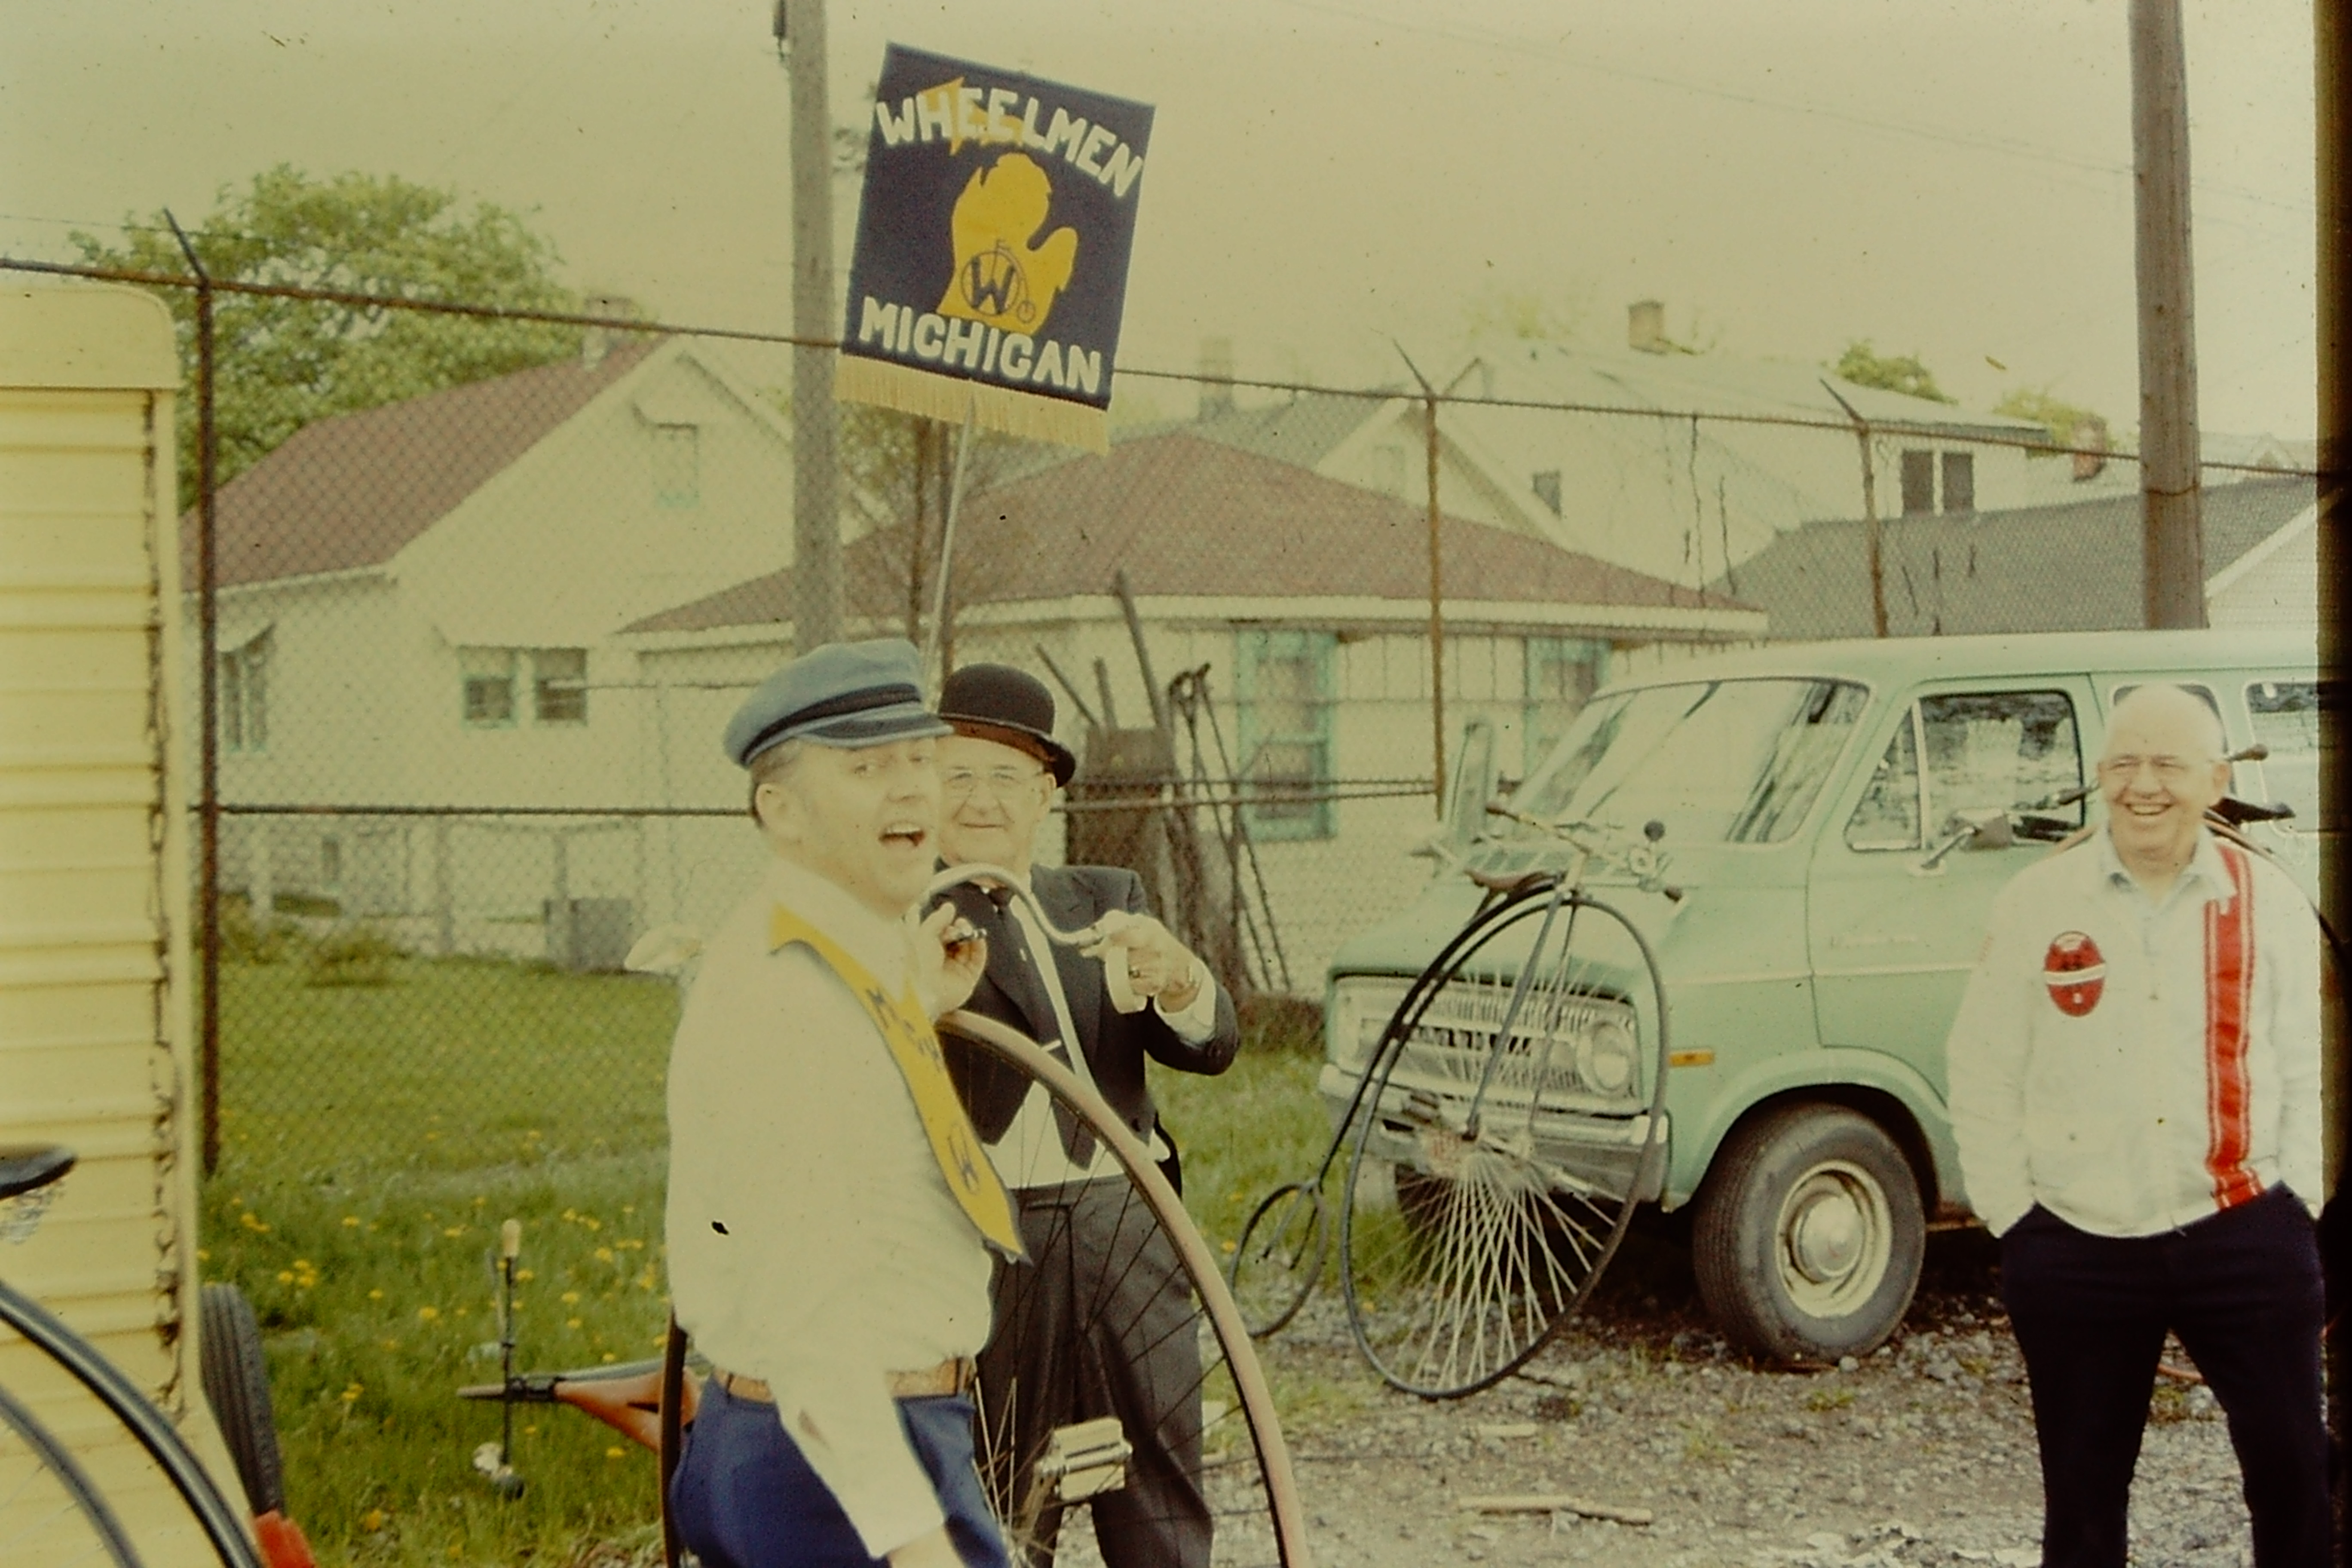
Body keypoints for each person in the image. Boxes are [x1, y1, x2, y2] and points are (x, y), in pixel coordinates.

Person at [1946, 682, 2328, 1568]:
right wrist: (2016, 1216)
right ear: (2098, 777)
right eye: (2123, 763)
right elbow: (1981, 1065)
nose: (2143, 785)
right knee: (2082, 1498)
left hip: (2241, 1226)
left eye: (2168, 764)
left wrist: (2297, 1201)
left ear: (2217, 778)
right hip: (2079, 1245)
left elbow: (2309, 1060)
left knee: (2293, 1468)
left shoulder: (2265, 898)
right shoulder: (2038, 901)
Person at [665, 638, 1022, 1568]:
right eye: (865, 768)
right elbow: (802, 1300)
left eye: (917, 759)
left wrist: (917, 1006)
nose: (911, 790)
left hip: (844, 1439)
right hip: (837, 1458)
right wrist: (910, 1538)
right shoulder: (787, 991)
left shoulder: (841, 959)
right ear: (779, 810)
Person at [929, 663, 1240, 1568]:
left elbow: (1212, 1047)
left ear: (1047, 794)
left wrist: (1178, 979)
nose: (982, 801)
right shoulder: (907, 920)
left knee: (1160, 1470)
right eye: (958, 775)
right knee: (1001, 1486)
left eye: (1007, 778)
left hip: (1126, 1219)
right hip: (989, 1231)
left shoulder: (1107, 900)